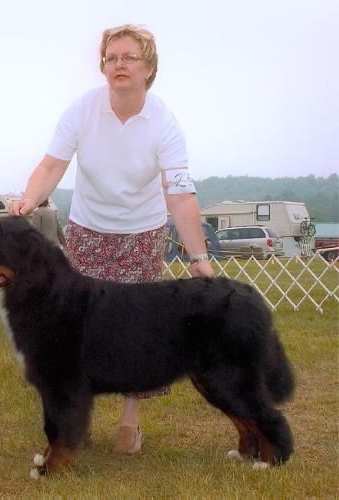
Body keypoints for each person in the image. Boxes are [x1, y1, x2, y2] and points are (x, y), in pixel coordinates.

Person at [11, 24, 214, 455]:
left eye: (129, 58)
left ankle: (130, 421)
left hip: (142, 234)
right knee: (78, 333)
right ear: (102, 66)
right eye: (111, 58)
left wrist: (198, 255)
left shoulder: (164, 121)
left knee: (134, 332)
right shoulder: (82, 110)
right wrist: (29, 199)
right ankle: (72, 420)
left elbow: (178, 193)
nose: (118, 65)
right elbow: (51, 165)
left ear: (149, 68)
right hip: (87, 230)